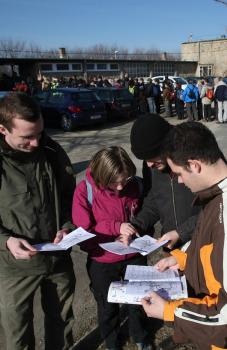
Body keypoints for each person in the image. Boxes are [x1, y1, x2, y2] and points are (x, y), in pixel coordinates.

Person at [141, 121, 227, 350]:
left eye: (180, 173)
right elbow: (209, 243)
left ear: (194, 165)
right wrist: (182, 258)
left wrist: (169, 311)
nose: (181, 181)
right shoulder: (224, 190)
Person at [0, 93, 77, 349]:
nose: (36, 142)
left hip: (57, 261)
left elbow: (71, 197)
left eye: (39, 133)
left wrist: (67, 226)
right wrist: (6, 242)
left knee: (62, 326)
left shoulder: (51, 151)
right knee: (18, 335)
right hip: (15, 270)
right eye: (27, 137)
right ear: (2, 129)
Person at [128, 114, 202, 350]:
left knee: (203, 293)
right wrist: (136, 225)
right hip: (171, 244)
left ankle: (204, 336)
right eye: (145, 161)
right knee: (176, 294)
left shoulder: (197, 150)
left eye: (152, 158)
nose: (148, 165)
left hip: (201, 239)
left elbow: (216, 208)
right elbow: (152, 200)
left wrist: (183, 231)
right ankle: (181, 333)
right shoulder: (151, 163)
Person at [72, 146, 152, 350]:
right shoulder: (84, 191)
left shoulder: (137, 185)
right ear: (100, 175)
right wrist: (114, 228)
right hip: (103, 262)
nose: (119, 187)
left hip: (134, 255)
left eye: (125, 180)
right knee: (107, 308)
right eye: (113, 182)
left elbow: (146, 217)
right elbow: (84, 237)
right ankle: (112, 343)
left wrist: (140, 233)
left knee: (139, 301)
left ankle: (140, 336)